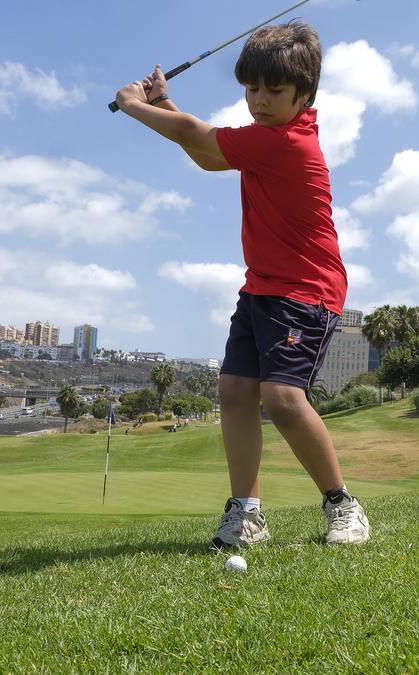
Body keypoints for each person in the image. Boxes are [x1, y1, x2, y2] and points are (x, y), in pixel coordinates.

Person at [115, 21, 370, 546]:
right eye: (251, 89)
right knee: (233, 391)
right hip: (261, 288)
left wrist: (132, 104)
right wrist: (164, 102)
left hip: (307, 292)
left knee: (281, 397)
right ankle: (247, 513)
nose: (259, 100)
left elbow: (195, 136)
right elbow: (208, 157)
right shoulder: (264, 140)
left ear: (305, 94)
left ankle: (343, 506)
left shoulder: (289, 143)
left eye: (273, 91)